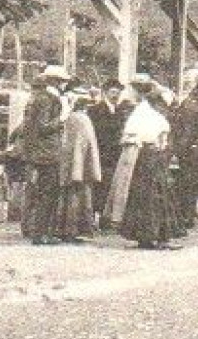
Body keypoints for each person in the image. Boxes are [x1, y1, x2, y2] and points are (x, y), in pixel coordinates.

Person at [105, 78, 179, 249]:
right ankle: (156, 235)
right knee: (155, 195)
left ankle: (147, 235)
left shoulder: (142, 112)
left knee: (146, 195)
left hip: (145, 156)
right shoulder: (149, 112)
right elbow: (161, 134)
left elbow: (133, 134)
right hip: (152, 155)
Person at [15, 65, 68, 245]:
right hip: (47, 153)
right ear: (55, 81)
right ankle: (41, 234)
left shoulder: (38, 98)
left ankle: (40, 232)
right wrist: (62, 120)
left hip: (39, 152)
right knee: (48, 193)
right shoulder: (48, 99)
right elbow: (44, 127)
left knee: (41, 192)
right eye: (61, 81)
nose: (63, 84)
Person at [57, 83, 102, 241]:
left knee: (68, 195)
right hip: (81, 165)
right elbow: (87, 145)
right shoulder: (83, 120)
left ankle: (65, 228)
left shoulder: (70, 118)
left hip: (71, 163)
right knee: (80, 196)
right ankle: (76, 229)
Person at [168, 86, 198, 234]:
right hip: (194, 151)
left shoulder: (189, 107)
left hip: (188, 152)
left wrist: (178, 151)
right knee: (191, 183)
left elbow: (188, 132)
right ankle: (188, 214)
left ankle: (187, 216)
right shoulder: (190, 106)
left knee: (187, 183)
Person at [89, 80, 127, 217]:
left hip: (114, 154)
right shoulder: (95, 110)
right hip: (101, 152)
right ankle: (95, 215)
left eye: (118, 93)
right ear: (105, 93)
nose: (115, 96)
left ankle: (105, 216)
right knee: (99, 185)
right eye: (113, 92)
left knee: (110, 185)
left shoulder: (120, 111)